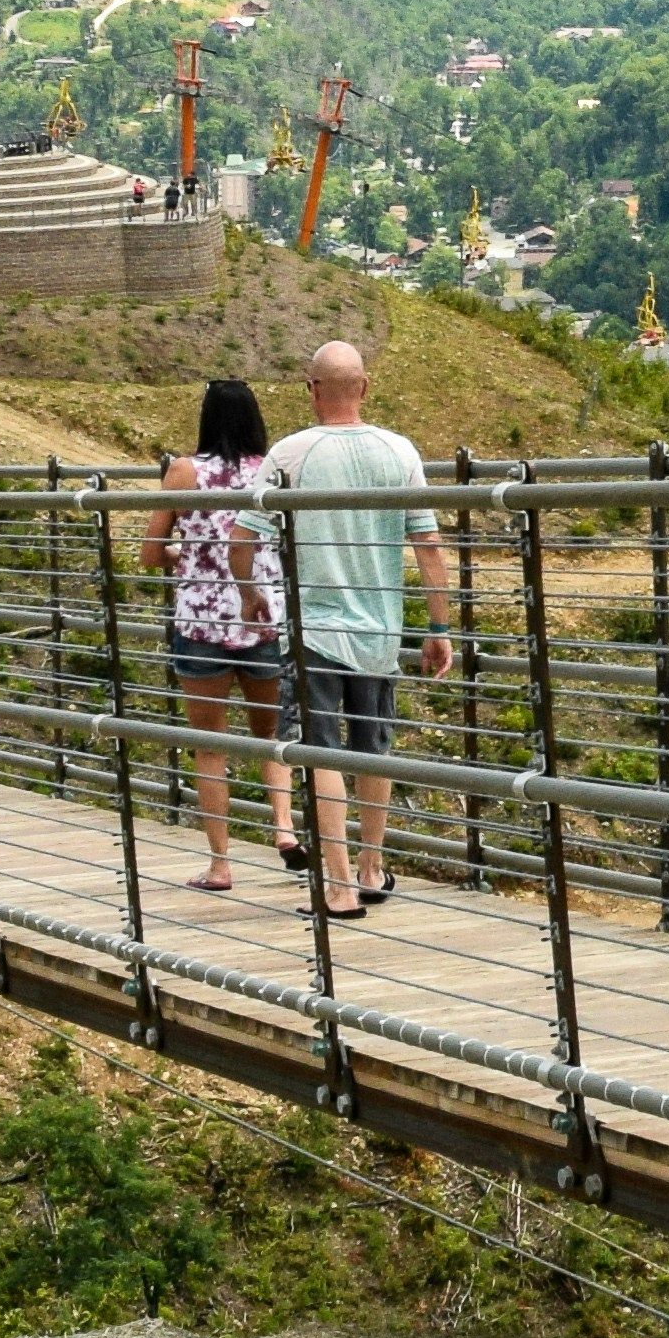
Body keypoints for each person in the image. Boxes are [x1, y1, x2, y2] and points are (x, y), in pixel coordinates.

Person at [258, 340, 447, 917]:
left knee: (323, 755)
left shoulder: (289, 453)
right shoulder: (400, 451)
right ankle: (370, 869)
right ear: (364, 387)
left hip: (312, 630)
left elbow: (244, 535)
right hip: (380, 632)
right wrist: (439, 626)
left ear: (312, 391)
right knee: (373, 752)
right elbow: (428, 544)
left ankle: (336, 888)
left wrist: (250, 600)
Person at [145, 376, 285, 890]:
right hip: (263, 617)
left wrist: (188, 555)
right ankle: (286, 831)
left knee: (210, 746)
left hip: (202, 622)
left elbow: (149, 552)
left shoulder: (184, 471)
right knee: (273, 738)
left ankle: (221, 864)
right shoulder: (273, 472)